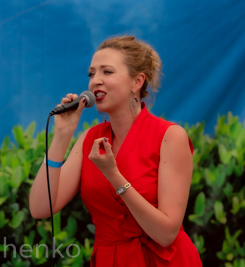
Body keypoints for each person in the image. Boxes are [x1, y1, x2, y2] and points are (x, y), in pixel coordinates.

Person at [29, 35, 203, 266]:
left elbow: (166, 234)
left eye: (107, 72)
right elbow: (41, 208)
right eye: (91, 74)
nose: (95, 81)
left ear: (137, 82)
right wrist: (62, 135)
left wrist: (113, 175)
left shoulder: (170, 137)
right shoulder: (89, 139)